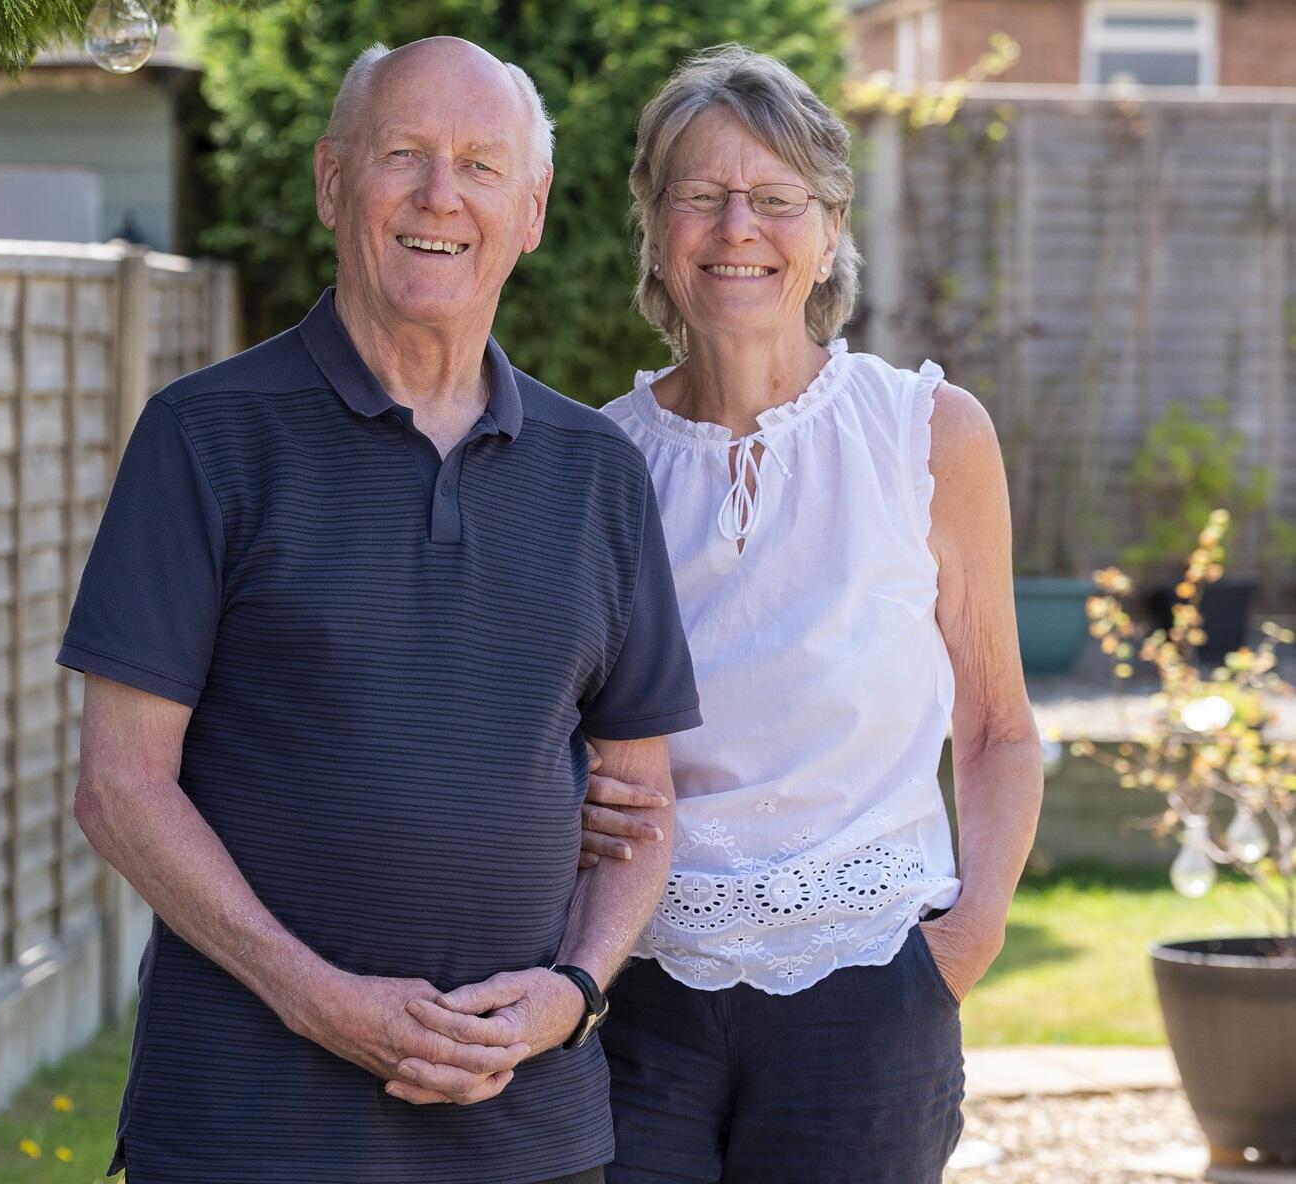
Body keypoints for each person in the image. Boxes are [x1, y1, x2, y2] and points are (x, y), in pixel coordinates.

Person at [57, 37, 700, 1184]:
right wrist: (321, 1002)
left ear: (533, 208)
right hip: (247, 1129)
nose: (439, 195)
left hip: (531, 1136)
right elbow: (119, 786)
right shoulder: (205, 438)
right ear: (331, 180)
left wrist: (573, 989)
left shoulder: (599, 471)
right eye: (403, 154)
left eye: (479, 165)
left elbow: (641, 795)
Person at [574, 46, 1044, 1183]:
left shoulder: (928, 433)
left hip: (872, 991)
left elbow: (998, 727)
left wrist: (962, 942)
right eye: (702, 194)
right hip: (644, 998)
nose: (740, 226)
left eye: (777, 198)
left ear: (828, 231)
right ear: (655, 223)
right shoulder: (597, 462)